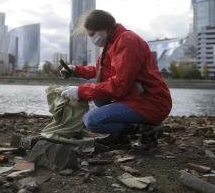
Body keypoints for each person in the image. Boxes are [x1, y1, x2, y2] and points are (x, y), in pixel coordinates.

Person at [60, 9, 172, 145]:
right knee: (93, 82)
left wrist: (81, 92)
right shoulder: (112, 42)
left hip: (151, 102)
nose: (92, 39)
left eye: (92, 34)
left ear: (103, 28)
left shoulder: (127, 41)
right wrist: (75, 70)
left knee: (92, 120)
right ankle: (121, 135)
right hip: (135, 97)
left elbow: (119, 85)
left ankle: (145, 130)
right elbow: (101, 71)